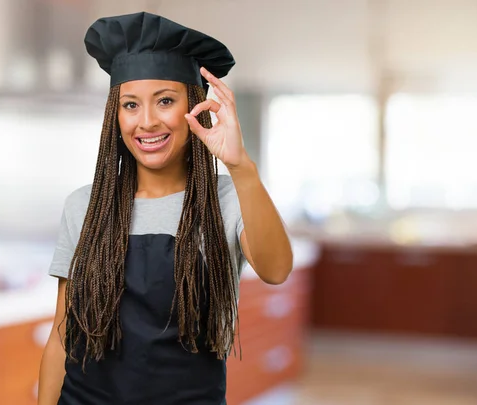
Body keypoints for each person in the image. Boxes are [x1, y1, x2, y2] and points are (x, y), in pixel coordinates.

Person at [38, 11, 293, 405]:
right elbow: (61, 339)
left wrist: (241, 166)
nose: (147, 122)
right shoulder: (84, 206)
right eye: (130, 105)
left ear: (193, 106)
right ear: (115, 115)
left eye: (165, 101)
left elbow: (276, 270)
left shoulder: (224, 200)